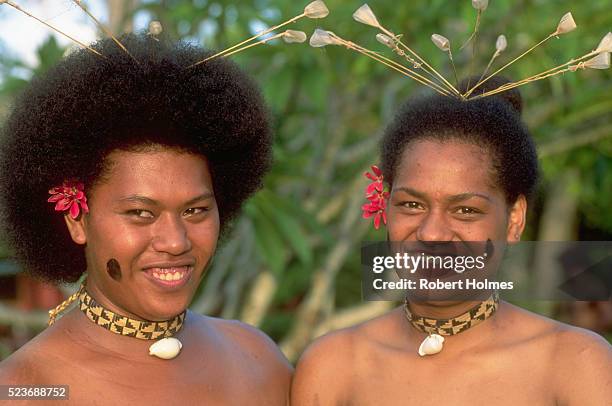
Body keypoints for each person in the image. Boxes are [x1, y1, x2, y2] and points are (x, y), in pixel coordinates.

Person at [0, 34, 291, 404]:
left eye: (195, 210)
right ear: (77, 220)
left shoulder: (256, 357)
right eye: (140, 213)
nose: (175, 241)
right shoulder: (25, 390)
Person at [291, 77, 612, 405]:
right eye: (412, 205)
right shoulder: (334, 366)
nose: (432, 234)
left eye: (465, 210)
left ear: (514, 219)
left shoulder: (575, 364)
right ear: (385, 205)